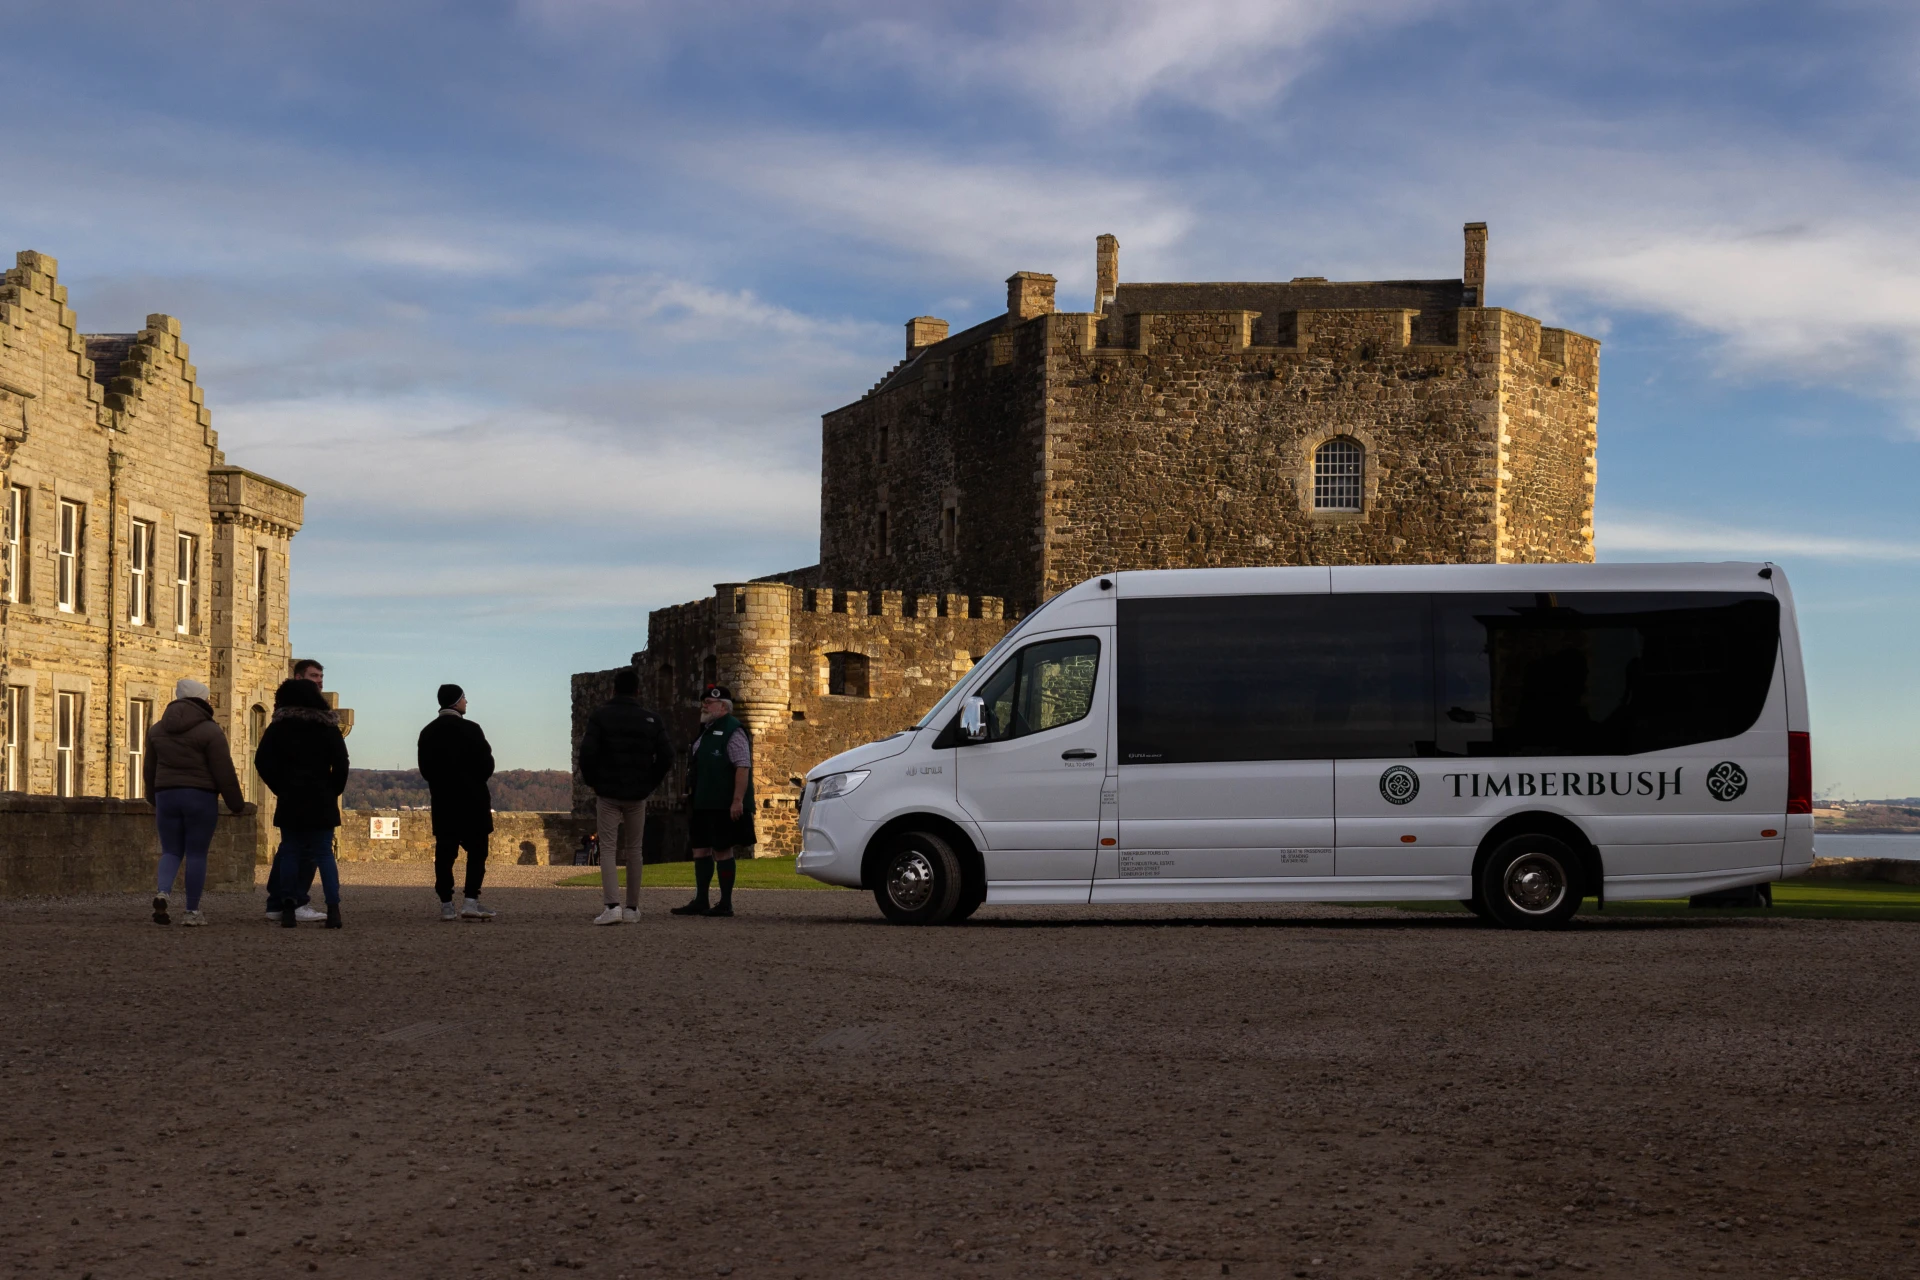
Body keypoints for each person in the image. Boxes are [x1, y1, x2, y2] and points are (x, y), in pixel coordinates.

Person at [144, 678, 248, 926]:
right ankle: (192, 912)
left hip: (166, 794)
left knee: (170, 850)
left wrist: (152, 796)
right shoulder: (210, 730)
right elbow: (224, 771)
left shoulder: (157, 729)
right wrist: (236, 804)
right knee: (197, 853)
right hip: (199, 795)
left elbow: (150, 769)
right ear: (202, 700)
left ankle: (163, 891)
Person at [578, 667, 674, 924]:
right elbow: (666, 756)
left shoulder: (601, 716)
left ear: (613, 690)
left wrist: (594, 782)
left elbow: (587, 753)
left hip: (608, 792)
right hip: (637, 792)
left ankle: (612, 906)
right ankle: (632, 908)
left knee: (608, 849)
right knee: (635, 850)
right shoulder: (651, 719)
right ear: (638, 691)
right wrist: (649, 783)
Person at [254, 677, 350, 929]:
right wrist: (333, 790)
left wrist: (281, 787)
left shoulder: (280, 727)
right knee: (323, 854)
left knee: (290, 852)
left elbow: (262, 761)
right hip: (322, 796)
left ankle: (287, 907)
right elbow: (342, 763)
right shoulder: (328, 727)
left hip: (291, 796)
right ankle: (334, 909)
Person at [670, 684, 755, 919]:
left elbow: (742, 766)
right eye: (704, 702)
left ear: (724, 707)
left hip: (722, 802)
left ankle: (725, 903)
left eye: (710, 702)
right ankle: (701, 899)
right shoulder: (705, 730)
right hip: (701, 801)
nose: (704, 705)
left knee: (722, 849)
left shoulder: (733, 730)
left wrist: (737, 800)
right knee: (700, 849)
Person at [417, 683, 496, 921]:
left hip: (444, 800)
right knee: (478, 851)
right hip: (473, 800)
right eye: (464, 698)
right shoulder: (472, 729)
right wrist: (472, 781)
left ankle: (446, 903)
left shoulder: (428, 731)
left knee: (445, 852)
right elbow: (487, 765)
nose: (466, 702)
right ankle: (471, 901)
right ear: (456, 702)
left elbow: (425, 769)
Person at [264, 657, 331, 923]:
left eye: (321, 677)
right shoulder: (299, 717)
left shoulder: (284, 715)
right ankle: (296, 900)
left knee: (290, 848)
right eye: (314, 676)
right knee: (308, 849)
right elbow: (265, 760)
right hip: (305, 795)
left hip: (296, 793)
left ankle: (277, 902)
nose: (319, 682)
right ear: (299, 678)